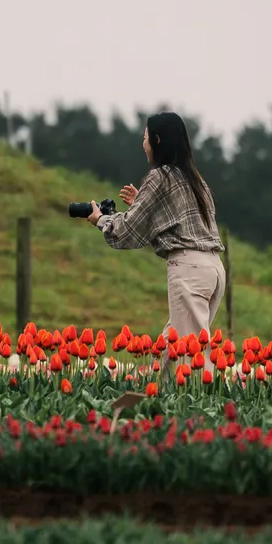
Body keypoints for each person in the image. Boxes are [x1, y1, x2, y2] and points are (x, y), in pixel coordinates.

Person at [86, 111, 226, 368]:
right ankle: (159, 403)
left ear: (157, 141)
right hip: (214, 269)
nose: (143, 144)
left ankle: (206, 408)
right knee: (168, 353)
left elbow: (127, 230)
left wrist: (100, 220)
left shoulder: (160, 176)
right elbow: (173, 222)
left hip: (189, 270)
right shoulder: (195, 179)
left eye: (145, 138)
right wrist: (146, 203)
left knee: (190, 358)